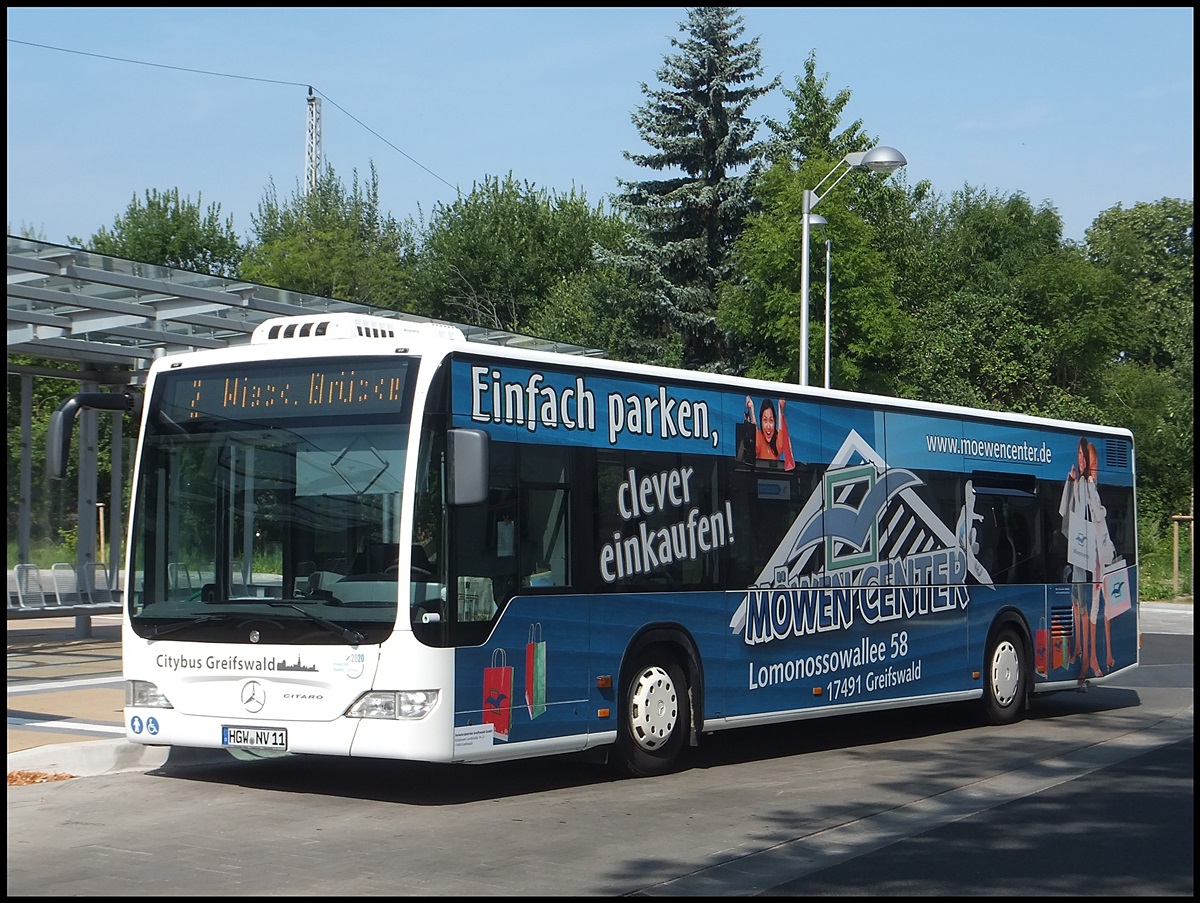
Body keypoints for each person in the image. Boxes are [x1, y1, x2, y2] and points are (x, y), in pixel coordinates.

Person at [1059, 438, 1116, 680]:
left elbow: (1098, 516)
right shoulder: (1077, 483)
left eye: (1086, 459)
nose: (1082, 462)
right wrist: (1070, 483)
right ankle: (1081, 651)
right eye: (1080, 457)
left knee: (1090, 609)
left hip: (1095, 560)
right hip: (1079, 557)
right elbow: (1068, 517)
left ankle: (1091, 659)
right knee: (1078, 605)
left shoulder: (1089, 486)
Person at [744, 396, 795, 471]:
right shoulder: (759, 438)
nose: (768, 426)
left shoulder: (777, 441)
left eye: (771, 421)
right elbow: (754, 431)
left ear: (775, 422)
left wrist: (780, 408)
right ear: (761, 422)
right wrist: (751, 408)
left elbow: (781, 434)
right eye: (765, 420)